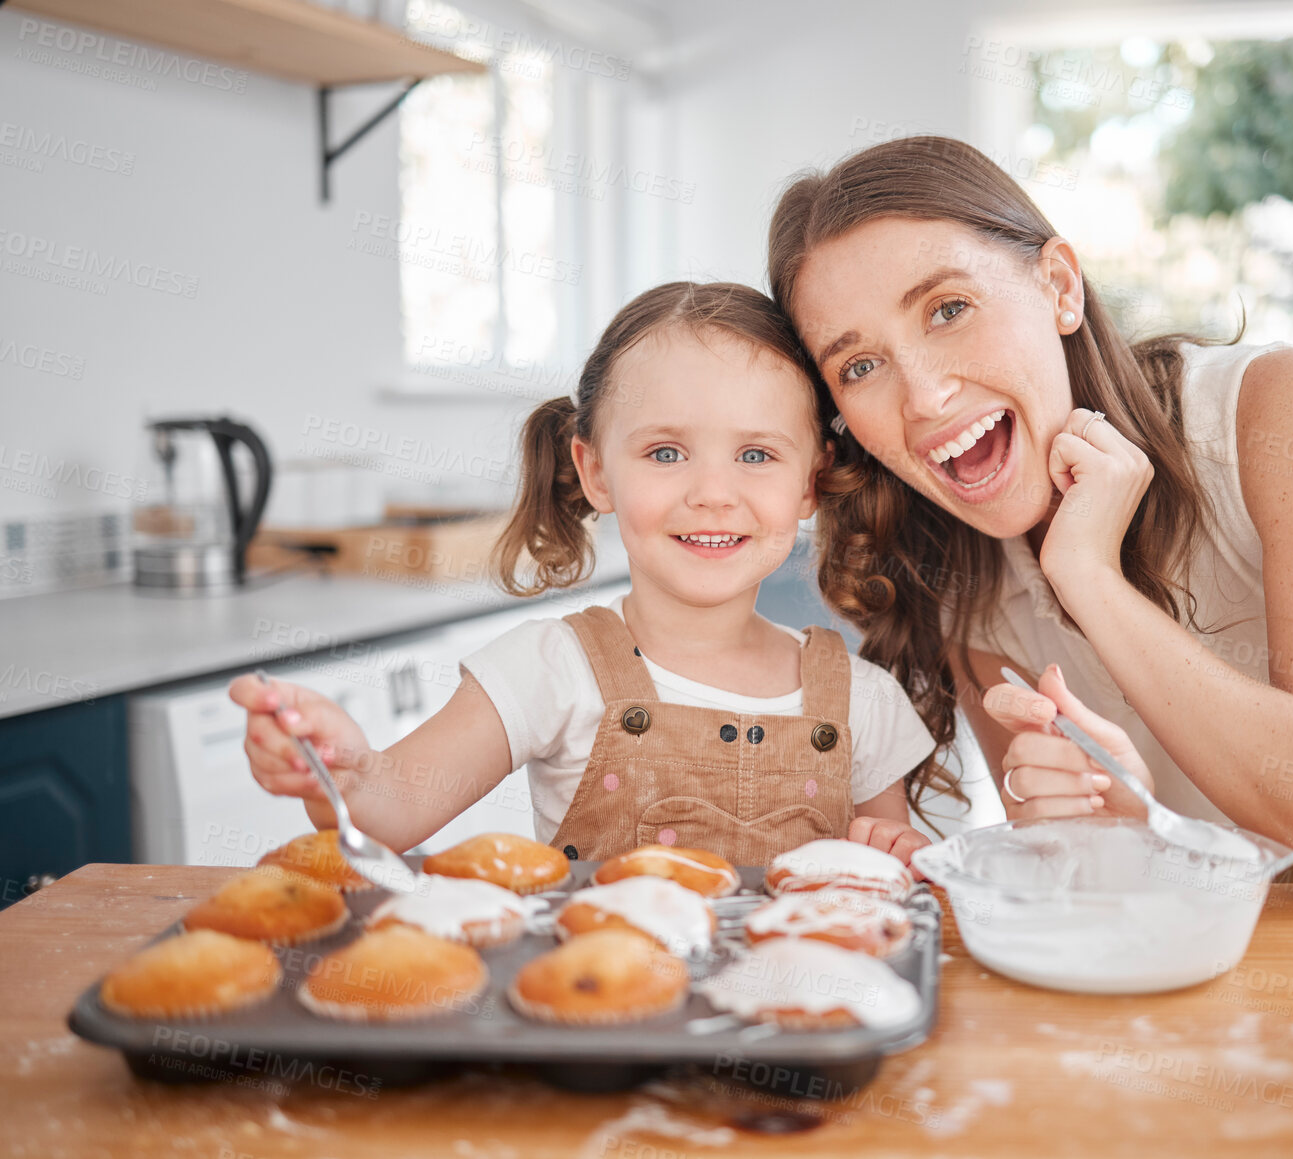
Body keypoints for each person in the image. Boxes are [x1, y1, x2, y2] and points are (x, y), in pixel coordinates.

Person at [767, 136, 1293, 904]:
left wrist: (1090, 579)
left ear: (1058, 286)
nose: (925, 396)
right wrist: (1116, 823)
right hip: (1204, 900)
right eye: (859, 366)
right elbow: (1096, 872)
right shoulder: (951, 574)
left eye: (948, 308)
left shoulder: (1280, 413)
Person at [230, 282, 943, 868]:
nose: (712, 492)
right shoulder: (548, 668)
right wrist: (341, 771)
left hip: (799, 1029)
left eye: (756, 455)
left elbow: (890, 891)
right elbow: (385, 809)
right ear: (595, 472)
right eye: (666, 453)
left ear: (810, 482)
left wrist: (899, 854)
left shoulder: (863, 702)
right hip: (594, 1022)